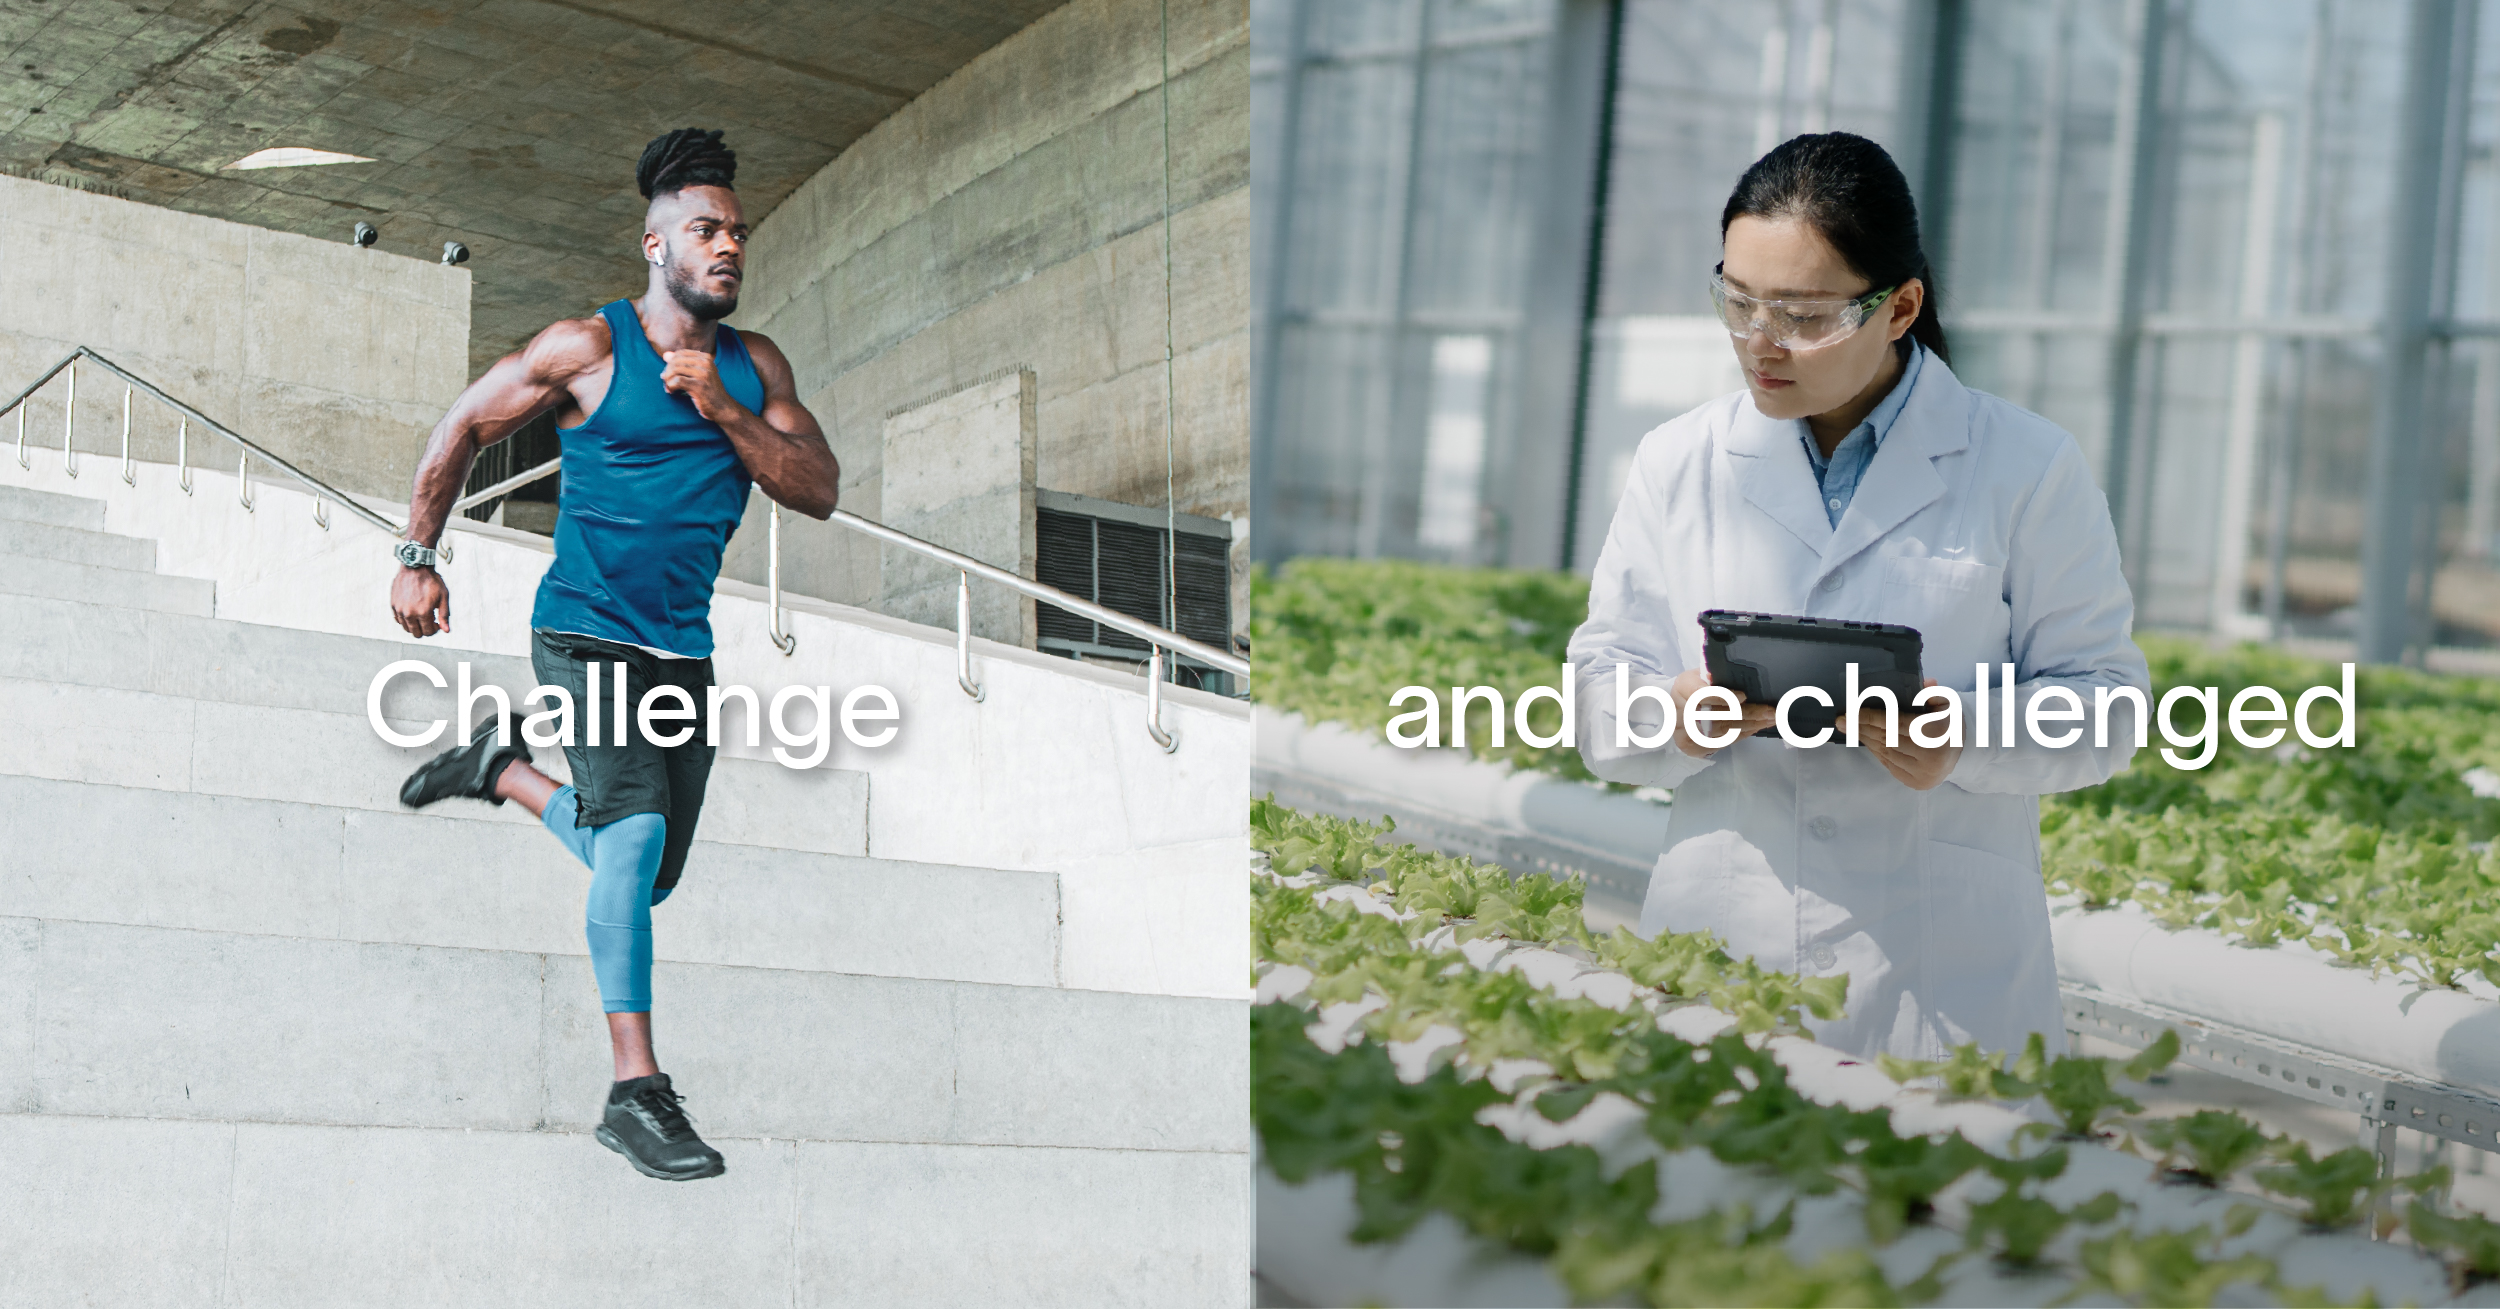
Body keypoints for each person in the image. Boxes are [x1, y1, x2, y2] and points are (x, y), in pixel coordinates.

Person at [1566, 132, 2149, 1062]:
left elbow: (2107, 703)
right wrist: (1671, 714)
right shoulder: (1677, 461)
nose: (1760, 341)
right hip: (1725, 944)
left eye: (1800, 314)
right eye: (1739, 299)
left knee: (1932, 1194)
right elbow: (1600, 687)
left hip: (1937, 975)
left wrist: (1962, 737)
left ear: (1901, 305)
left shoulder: (2026, 467)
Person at [384, 128, 842, 1179]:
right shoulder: (584, 351)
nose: (726, 245)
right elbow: (462, 425)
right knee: (630, 838)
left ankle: (496, 770)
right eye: (704, 229)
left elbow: (815, 488)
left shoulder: (752, 366)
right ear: (654, 244)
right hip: (584, 631)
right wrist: (418, 554)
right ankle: (636, 1091)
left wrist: (720, 405)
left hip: (681, 652)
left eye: (735, 231)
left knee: (650, 874)